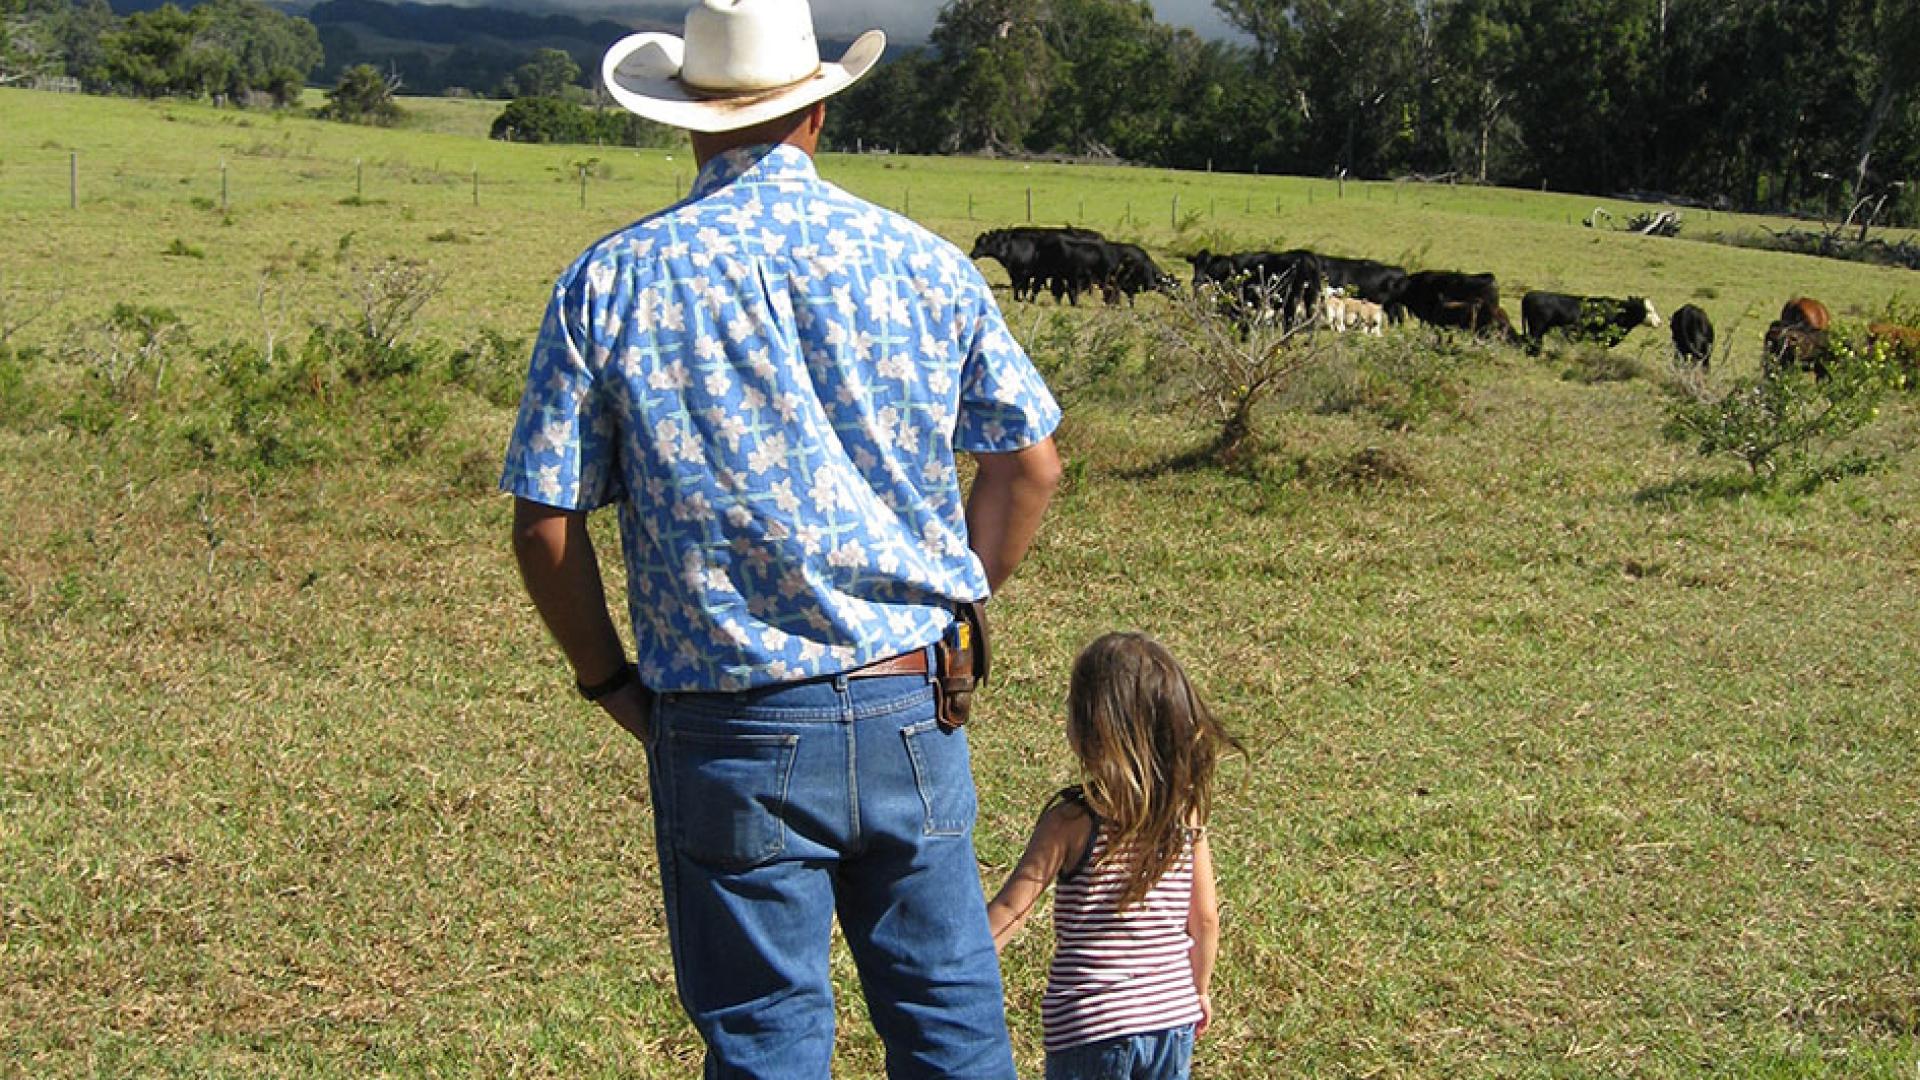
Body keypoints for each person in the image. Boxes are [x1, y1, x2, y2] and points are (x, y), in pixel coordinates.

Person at [499, 1, 1063, 1076]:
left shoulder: (611, 280)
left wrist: (609, 683)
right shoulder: (923, 262)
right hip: (915, 698)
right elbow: (1029, 463)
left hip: (726, 719)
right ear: (814, 114)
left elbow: (544, 525)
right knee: (952, 1023)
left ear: (689, 122)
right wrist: (954, 599)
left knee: (766, 1040)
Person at [985, 632, 1237, 1080]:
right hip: (1171, 1018)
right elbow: (1205, 920)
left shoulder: (1070, 821)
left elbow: (1011, 911)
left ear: (1088, 728)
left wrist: (954, 968)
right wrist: (1198, 990)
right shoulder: (1185, 812)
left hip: (1092, 1026)